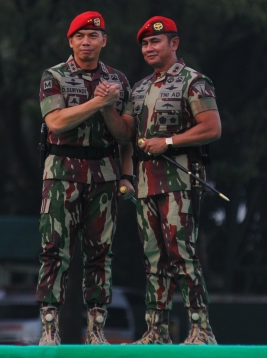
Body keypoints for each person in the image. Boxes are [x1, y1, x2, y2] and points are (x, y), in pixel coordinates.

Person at [95, 16, 221, 344]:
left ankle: (201, 328)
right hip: (146, 182)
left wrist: (167, 142)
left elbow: (211, 128)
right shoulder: (139, 88)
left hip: (180, 178)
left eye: (156, 42)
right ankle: (156, 332)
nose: (149, 48)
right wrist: (107, 108)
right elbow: (125, 132)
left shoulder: (193, 82)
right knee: (154, 258)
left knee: (181, 252)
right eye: (145, 44)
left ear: (174, 44)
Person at [36, 11, 134, 346]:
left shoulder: (118, 80)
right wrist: (97, 101)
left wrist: (108, 107)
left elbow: (125, 136)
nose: (86, 42)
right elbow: (57, 122)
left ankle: (96, 329)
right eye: (80, 36)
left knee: (100, 253)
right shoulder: (55, 76)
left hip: (104, 176)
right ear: (70, 41)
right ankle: (49, 328)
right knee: (54, 250)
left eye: (93, 36)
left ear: (104, 41)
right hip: (62, 173)